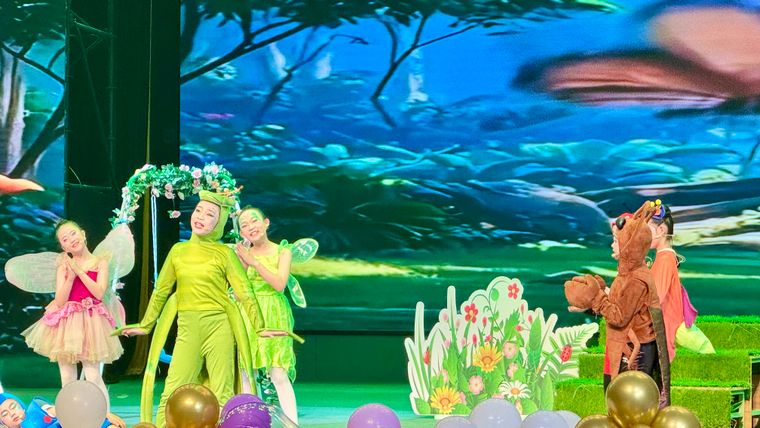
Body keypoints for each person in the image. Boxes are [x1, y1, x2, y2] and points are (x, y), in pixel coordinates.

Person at [116, 190, 264, 427]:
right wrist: (146, 324)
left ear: (219, 223)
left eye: (210, 214)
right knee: (172, 390)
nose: (201, 217)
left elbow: (245, 292)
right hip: (188, 328)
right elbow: (161, 290)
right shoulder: (178, 251)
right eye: (198, 210)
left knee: (222, 393)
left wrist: (260, 326)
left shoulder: (225, 253)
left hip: (220, 327)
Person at [565, 201, 671, 407]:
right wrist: (590, 303)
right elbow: (617, 307)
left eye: (616, 240)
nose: (613, 245)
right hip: (621, 345)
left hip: (634, 352)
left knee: (629, 406)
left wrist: (596, 298)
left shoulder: (636, 279)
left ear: (630, 244)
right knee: (616, 401)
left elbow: (619, 316)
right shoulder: (626, 275)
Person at [21, 221, 123, 413]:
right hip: (67, 322)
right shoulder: (63, 266)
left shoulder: (100, 262)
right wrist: (70, 277)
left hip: (91, 320)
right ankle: (70, 418)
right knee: (67, 377)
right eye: (65, 239)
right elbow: (60, 301)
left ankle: (104, 418)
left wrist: (79, 271)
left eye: (73, 233)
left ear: (83, 234)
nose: (71, 240)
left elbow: (99, 293)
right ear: (63, 247)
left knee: (93, 376)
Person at [235, 207, 298, 424]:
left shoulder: (283, 252)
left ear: (266, 222)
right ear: (241, 233)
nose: (250, 227)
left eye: (254, 221)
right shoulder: (243, 255)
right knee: (247, 372)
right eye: (244, 225)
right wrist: (243, 263)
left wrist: (254, 262)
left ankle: (292, 424)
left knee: (278, 372)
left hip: (275, 313)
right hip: (249, 314)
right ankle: (250, 422)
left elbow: (279, 284)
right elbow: (238, 291)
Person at [648, 200, 714, 360]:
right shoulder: (662, 257)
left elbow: (657, 296)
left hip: (672, 322)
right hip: (669, 320)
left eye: (647, 230)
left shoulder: (665, 259)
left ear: (661, 230)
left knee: (705, 350)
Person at [0, 389, 126, 428]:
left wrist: (102, 414)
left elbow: (70, 408)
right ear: (2, 422)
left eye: (13, 407)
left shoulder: (36, 410)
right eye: (4, 414)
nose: (12, 414)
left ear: (22, 407)